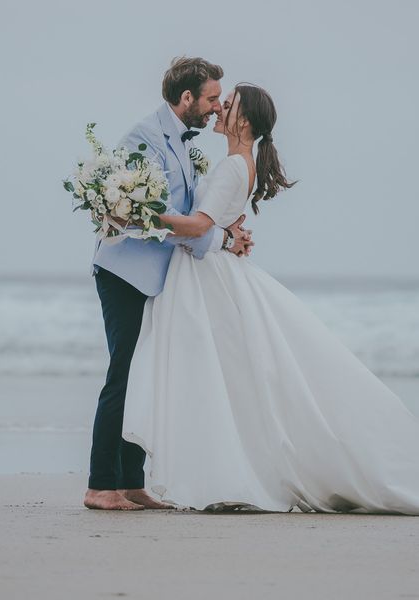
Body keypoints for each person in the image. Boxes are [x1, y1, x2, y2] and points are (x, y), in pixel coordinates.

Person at [122, 83, 419, 515]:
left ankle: (228, 474)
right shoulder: (240, 164)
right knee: (230, 382)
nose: (220, 107)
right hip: (209, 273)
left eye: (229, 104)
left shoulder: (232, 168)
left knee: (217, 381)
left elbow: (198, 226)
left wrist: (136, 214)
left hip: (207, 282)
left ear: (244, 120)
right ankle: (226, 470)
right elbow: (213, 228)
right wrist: (227, 237)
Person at [84, 58, 253, 511]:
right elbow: (147, 219)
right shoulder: (144, 138)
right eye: (212, 98)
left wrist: (224, 234)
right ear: (186, 98)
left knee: (145, 374)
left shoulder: (180, 142)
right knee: (123, 372)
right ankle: (101, 485)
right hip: (125, 273)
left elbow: (188, 216)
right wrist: (217, 239)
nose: (217, 107)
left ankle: (132, 482)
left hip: (158, 278)